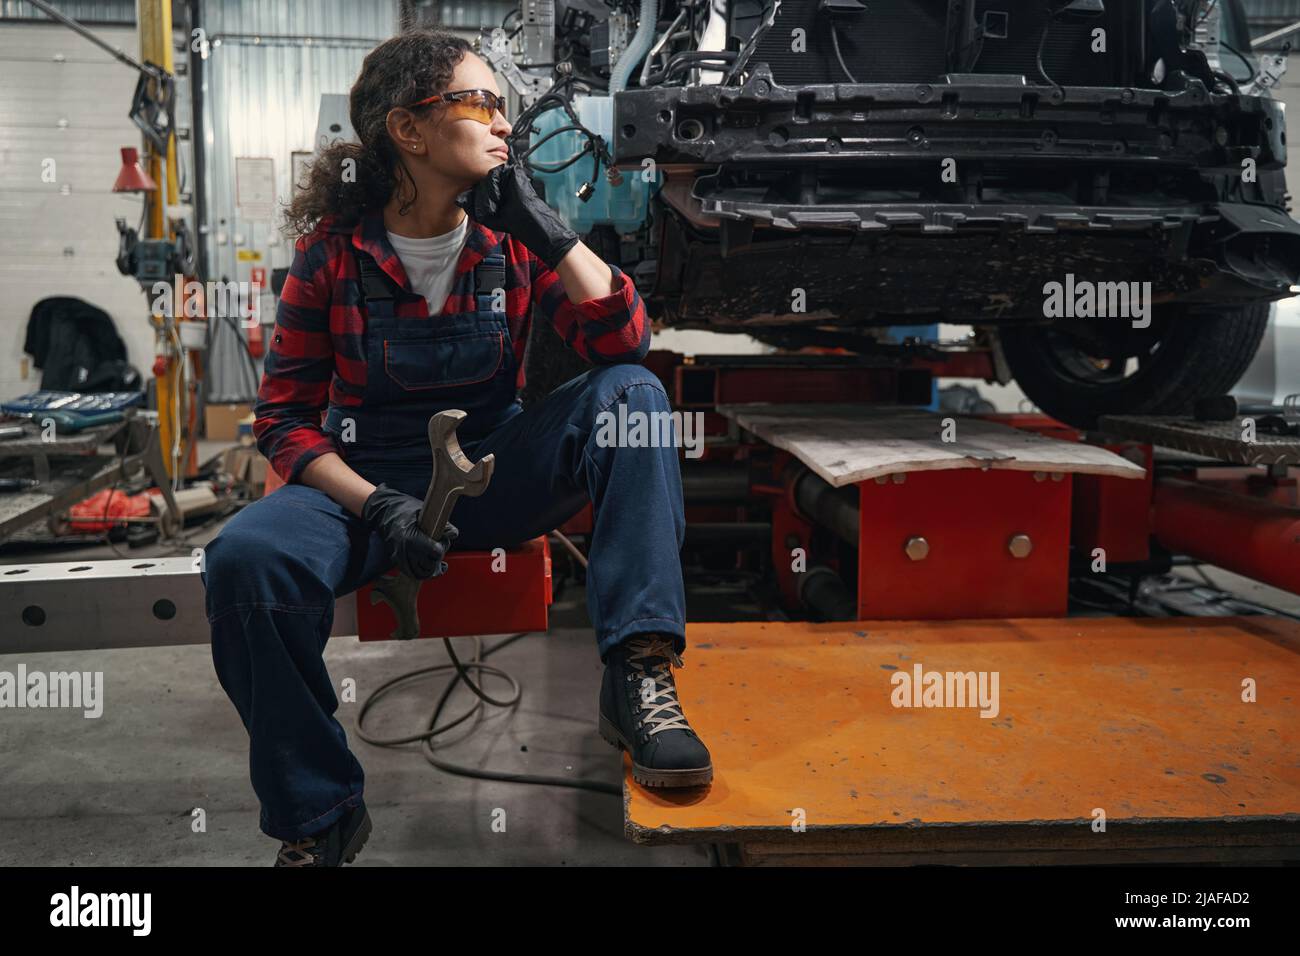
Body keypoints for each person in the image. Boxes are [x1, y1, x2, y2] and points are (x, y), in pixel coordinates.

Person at [201, 29, 712, 867]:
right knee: (244, 559)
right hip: (368, 489)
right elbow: (284, 421)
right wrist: (378, 505)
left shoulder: (509, 239)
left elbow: (625, 342)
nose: (502, 122)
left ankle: (640, 676)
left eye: (504, 107)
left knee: (636, 400)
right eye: (481, 102)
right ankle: (318, 811)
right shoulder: (329, 257)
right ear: (410, 128)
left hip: (493, 471)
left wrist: (546, 228)